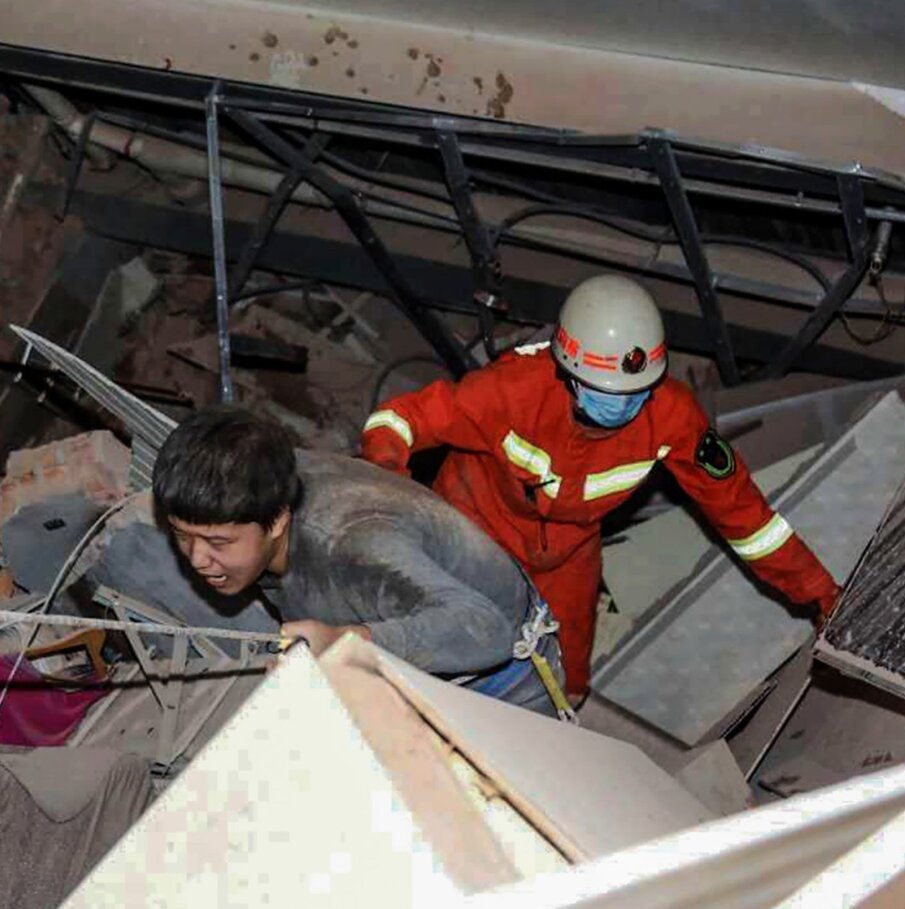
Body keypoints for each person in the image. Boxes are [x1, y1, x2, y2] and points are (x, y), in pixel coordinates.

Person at [360, 274, 839, 702]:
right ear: (568, 372)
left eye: (636, 392)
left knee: (567, 674)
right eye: (607, 391)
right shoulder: (511, 392)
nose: (624, 405)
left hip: (568, 554)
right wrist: (393, 490)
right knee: (444, 638)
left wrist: (818, 592)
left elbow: (746, 517)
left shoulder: (671, 416)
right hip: (471, 531)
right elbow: (400, 420)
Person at [148, 406, 567, 715]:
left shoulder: (353, 547)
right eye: (182, 535)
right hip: (425, 656)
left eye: (218, 542)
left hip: (504, 683)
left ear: (276, 521)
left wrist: (346, 642)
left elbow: (485, 629)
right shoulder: (255, 479)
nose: (197, 558)